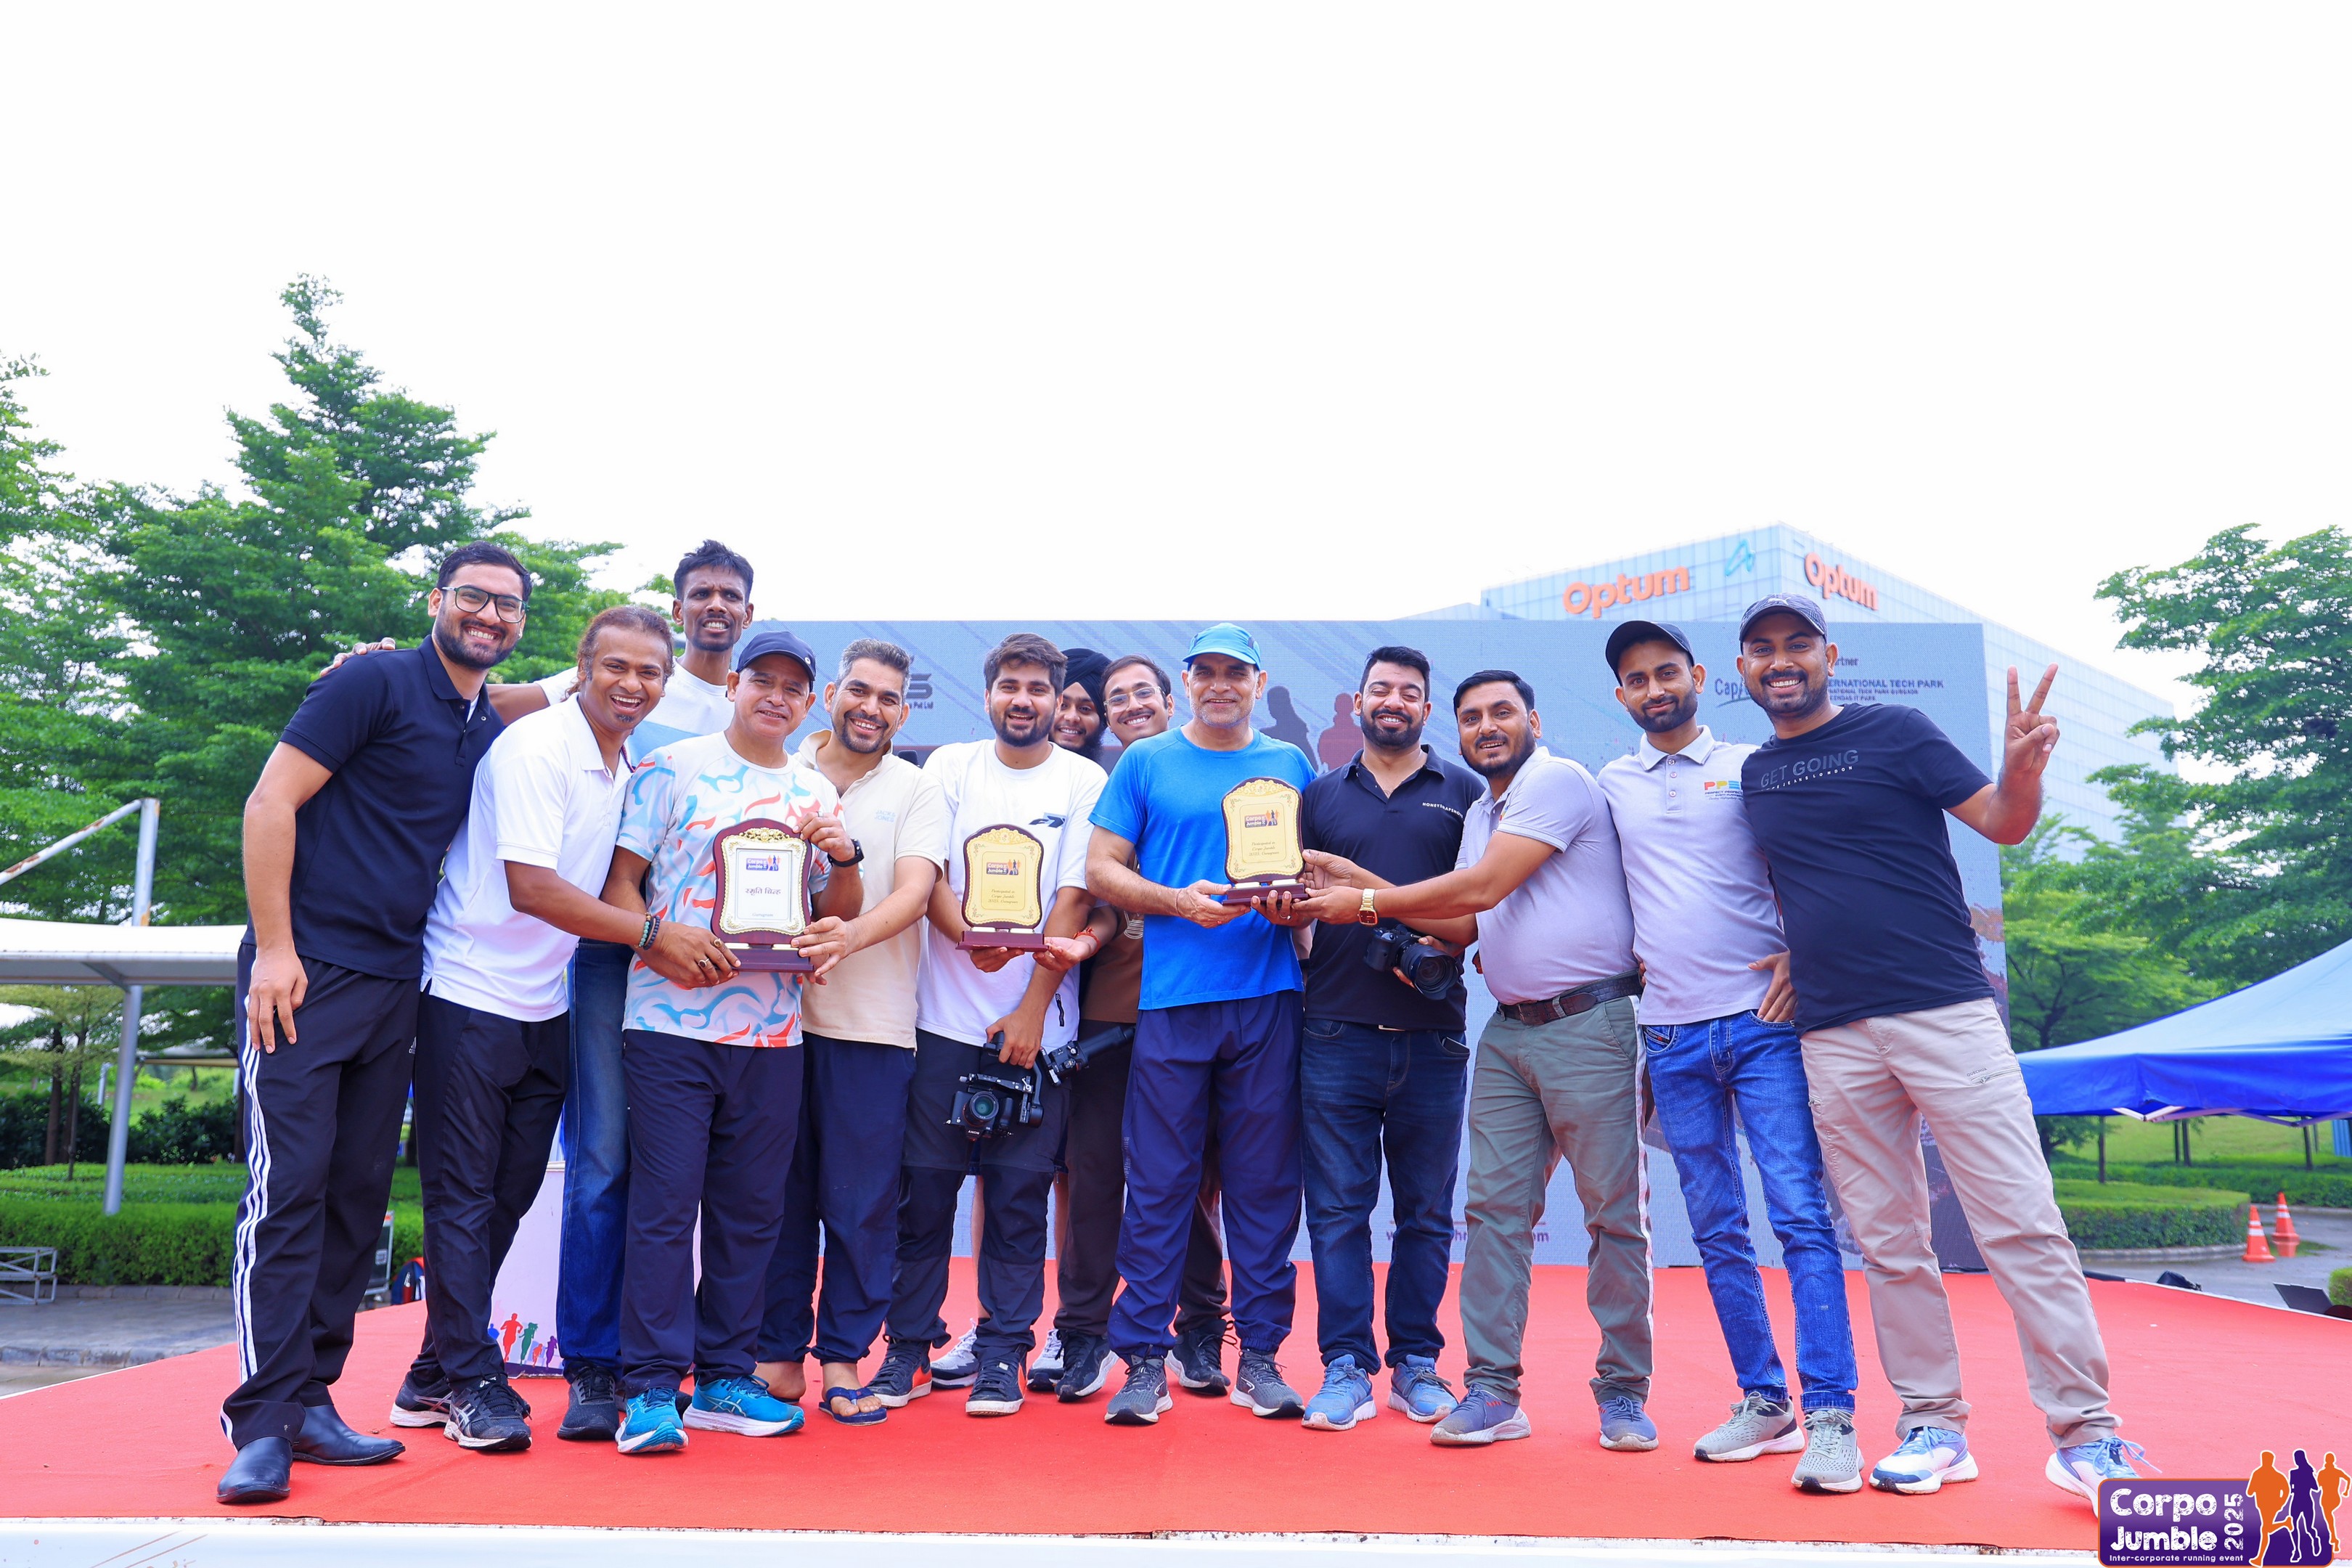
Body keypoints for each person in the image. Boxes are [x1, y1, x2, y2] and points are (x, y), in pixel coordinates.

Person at [1731, 591, 2144, 1504]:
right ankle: (1933, 1426)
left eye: (1798, 643)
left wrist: (2021, 770)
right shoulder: (1756, 774)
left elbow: (2002, 820)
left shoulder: (1897, 730)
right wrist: (1802, 948)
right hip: (1833, 1033)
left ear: (1830, 656)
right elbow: (1809, 881)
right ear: (1744, 669)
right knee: (1890, 1244)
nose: (1780, 660)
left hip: (1946, 1012)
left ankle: (2088, 1434)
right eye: (1761, 648)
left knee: (2022, 1224)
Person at [218, 542, 528, 1506]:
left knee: (357, 1199)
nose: (488, 615)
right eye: (472, 597)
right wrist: (276, 949)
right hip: (302, 974)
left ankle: (313, 1399)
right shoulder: (372, 683)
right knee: (288, 1192)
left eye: (507, 606)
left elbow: (572, 688)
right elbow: (270, 801)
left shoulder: (483, 719)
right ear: (436, 599)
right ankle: (261, 1422)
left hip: (399, 983)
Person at [392, 607, 734, 1450]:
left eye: (649, 672)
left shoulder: (627, 766)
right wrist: (655, 936)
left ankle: (431, 1372)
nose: (632, 684)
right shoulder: (538, 748)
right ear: (582, 668)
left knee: (507, 1200)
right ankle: (472, 1379)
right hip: (467, 995)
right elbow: (533, 888)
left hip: (546, 1004)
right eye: (616, 666)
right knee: (464, 1199)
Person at [1295, 669, 1651, 1453]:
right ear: (1453, 728)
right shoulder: (1484, 812)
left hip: (1590, 1025)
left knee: (1613, 1216)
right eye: (1472, 717)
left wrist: (1361, 901)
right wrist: (1360, 881)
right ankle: (1493, 1389)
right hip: (1509, 1033)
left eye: (1502, 712)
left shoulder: (1555, 781)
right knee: (1492, 1217)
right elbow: (1460, 924)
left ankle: (1623, 1393)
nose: (1487, 726)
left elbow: (1482, 888)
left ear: (1534, 720)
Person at [1593, 619, 1862, 1493]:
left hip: (1761, 1025)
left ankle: (1832, 1417)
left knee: (1800, 1218)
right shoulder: (1610, 785)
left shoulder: (1751, 766)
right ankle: (1765, 1400)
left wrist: (1802, 955)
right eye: (1637, 679)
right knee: (1715, 1231)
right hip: (1669, 1036)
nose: (1655, 688)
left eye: (1667, 671)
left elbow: (1818, 868)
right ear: (1622, 695)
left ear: (1700, 675)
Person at [597, 626, 863, 1455]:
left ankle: (722, 1377)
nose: (775, 696)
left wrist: (846, 857)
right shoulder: (672, 768)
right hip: (669, 1024)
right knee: (665, 1207)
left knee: (751, 1215)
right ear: (733, 688)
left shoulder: (815, 791)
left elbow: (836, 912)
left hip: (774, 1031)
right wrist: (657, 944)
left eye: (792, 687)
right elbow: (620, 885)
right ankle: (649, 1388)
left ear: (810, 702)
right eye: (761, 681)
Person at [867, 633, 1102, 1417]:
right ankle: (907, 1350)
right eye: (1010, 685)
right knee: (923, 1200)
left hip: (1039, 1029)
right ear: (990, 692)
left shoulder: (1083, 779)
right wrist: (966, 935)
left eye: (1038, 688)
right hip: (941, 1023)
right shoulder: (950, 767)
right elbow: (925, 873)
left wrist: (1032, 1009)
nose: (1022, 700)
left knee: (1017, 1201)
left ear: (1058, 700)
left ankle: (1003, 1351)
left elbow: (1074, 898)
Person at [1087, 624, 1316, 1426]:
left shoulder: (1292, 764)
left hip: (1267, 996)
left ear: (1259, 683)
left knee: (1264, 1187)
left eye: (1235, 673)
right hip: (1172, 1002)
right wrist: (1175, 901)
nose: (1221, 684)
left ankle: (1260, 1358)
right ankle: (1144, 1363)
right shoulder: (1146, 761)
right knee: (1159, 1186)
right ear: (1186, 682)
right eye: (1206, 672)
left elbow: (1309, 877)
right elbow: (1101, 869)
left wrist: (1295, 907)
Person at [550, 541, 754, 1440]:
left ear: (748, 613)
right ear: (679, 608)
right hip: (610, 952)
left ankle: (681, 1368)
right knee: (603, 1161)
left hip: (705, 975)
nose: (716, 606)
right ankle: (594, 1365)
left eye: (730, 595)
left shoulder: (753, 710)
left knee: (691, 1180)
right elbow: (498, 698)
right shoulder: (624, 675)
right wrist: (383, 661)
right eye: (701, 593)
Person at [750, 638, 951, 1426]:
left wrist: (848, 936)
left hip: (872, 1028)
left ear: (904, 713)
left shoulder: (918, 787)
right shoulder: (778, 768)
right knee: (773, 1200)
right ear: (829, 695)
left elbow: (915, 892)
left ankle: (842, 1357)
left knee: (861, 1205)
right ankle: (774, 1355)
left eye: (888, 699)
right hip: (767, 1023)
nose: (871, 708)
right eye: (859, 692)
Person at [1289, 646, 1481, 1433]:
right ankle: (1344, 1365)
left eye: (1408, 692)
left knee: (1427, 1215)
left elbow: (1477, 914)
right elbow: (1298, 901)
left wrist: (1371, 902)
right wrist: (1291, 910)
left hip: (1434, 1036)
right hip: (1335, 1030)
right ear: (1359, 700)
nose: (1393, 701)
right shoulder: (1319, 794)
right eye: (1380, 689)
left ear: (1427, 709)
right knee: (1337, 1214)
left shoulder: (1466, 792)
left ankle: (1417, 1364)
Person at [1045, 652, 1233, 1405]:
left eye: (1141, 694)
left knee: (1186, 1180)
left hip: (1195, 1008)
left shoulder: (1212, 781)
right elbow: (1089, 899)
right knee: (1094, 1176)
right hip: (1110, 1016)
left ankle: (1201, 1326)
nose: (1129, 706)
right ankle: (1083, 1332)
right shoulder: (1096, 790)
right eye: (1114, 698)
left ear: (1170, 700)